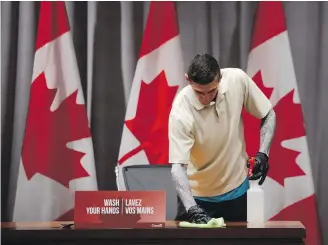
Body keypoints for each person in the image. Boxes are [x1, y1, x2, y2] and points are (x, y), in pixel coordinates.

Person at [168, 53, 276, 224]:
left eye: (212, 90)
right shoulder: (180, 112)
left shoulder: (237, 80)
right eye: (198, 92)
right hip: (197, 198)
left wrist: (263, 153)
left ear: (221, 78)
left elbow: (268, 114)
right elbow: (177, 168)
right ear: (188, 80)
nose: (205, 98)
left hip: (237, 191)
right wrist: (192, 209)